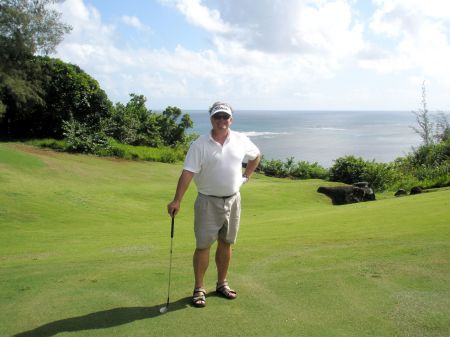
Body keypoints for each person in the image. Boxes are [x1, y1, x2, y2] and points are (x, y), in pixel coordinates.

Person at [167, 101, 261, 308]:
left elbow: (256, 156)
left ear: (231, 120)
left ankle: (221, 284)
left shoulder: (240, 140)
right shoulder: (199, 144)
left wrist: (246, 177)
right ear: (211, 119)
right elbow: (187, 173)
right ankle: (199, 288)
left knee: (226, 243)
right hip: (207, 201)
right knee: (203, 246)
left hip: (233, 199)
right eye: (217, 117)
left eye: (225, 117)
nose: (221, 121)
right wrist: (177, 200)